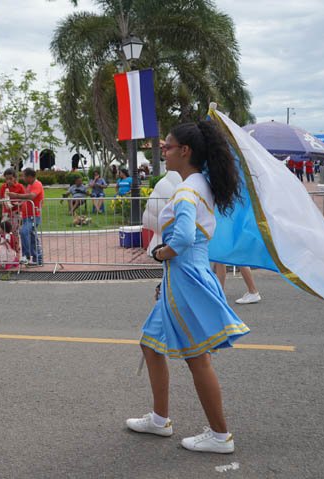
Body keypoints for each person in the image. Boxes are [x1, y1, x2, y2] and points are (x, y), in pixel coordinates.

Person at [126, 121, 249, 454]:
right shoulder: (199, 184)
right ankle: (159, 419)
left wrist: (159, 253)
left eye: (167, 146)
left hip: (186, 278)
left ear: (185, 151)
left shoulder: (186, 190)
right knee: (151, 343)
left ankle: (220, 436)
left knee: (197, 358)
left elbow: (182, 238)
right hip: (183, 276)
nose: (163, 152)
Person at [7, 168, 44, 266]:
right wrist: (19, 204)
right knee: (32, 237)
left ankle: (26, 256)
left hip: (33, 216)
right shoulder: (30, 185)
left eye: (24, 176)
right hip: (27, 216)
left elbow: (31, 196)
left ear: (30, 177)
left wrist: (16, 195)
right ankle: (37, 259)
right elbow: (27, 198)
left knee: (24, 232)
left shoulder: (37, 185)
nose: (23, 178)